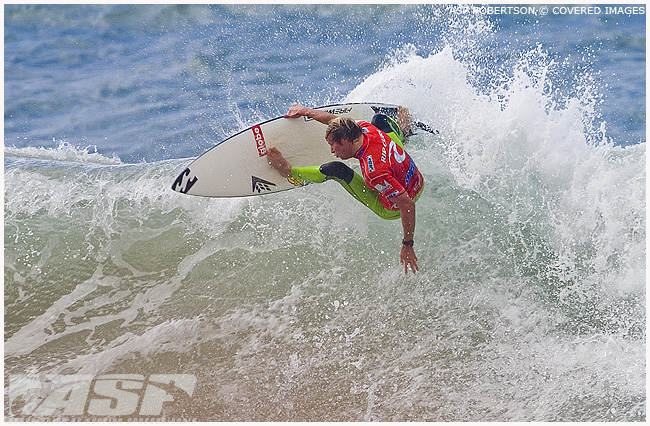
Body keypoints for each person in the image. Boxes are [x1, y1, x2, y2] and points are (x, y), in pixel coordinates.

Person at [267, 104, 424, 274]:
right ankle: (404, 132)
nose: (331, 150)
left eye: (333, 145)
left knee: (337, 169)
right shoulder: (363, 128)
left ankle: (289, 171)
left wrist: (408, 244)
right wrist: (306, 112)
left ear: (345, 141)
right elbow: (333, 121)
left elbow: (407, 205)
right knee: (380, 119)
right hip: (417, 182)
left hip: (392, 207)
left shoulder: (375, 172)